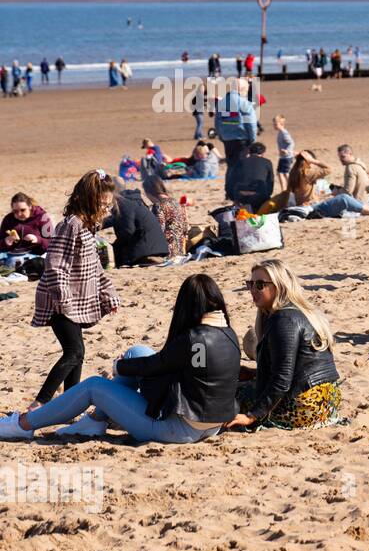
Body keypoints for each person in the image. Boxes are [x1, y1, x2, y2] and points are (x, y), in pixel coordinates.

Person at [0, 274, 241, 443]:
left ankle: (23, 425)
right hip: (210, 425)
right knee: (137, 351)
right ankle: (95, 420)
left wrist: (118, 366)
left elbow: (155, 365)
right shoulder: (228, 334)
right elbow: (164, 363)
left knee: (94, 386)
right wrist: (128, 365)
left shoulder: (192, 338)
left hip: (178, 430)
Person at [29, 172, 120, 411]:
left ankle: (68, 403)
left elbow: (95, 267)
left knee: (78, 353)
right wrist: (63, 299)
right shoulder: (71, 226)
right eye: (102, 204)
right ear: (89, 199)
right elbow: (55, 265)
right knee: (74, 351)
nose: (106, 209)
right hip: (60, 301)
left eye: (108, 204)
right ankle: (40, 403)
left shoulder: (88, 228)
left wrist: (108, 293)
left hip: (76, 302)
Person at [225, 260, 343, 432]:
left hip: (305, 406)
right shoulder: (299, 312)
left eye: (260, 285)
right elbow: (296, 367)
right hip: (326, 402)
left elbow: (282, 380)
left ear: (279, 286)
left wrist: (251, 416)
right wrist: (254, 373)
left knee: (234, 395)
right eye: (250, 284)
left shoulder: (283, 320)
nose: (252, 290)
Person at [104, 184, 169, 268]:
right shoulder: (132, 204)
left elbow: (128, 231)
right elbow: (114, 219)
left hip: (148, 249)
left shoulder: (123, 205)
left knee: (117, 249)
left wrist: (115, 245)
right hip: (159, 248)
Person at [216, 78, 259, 202]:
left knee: (231, 165)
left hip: (228, 139)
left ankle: (229, 192)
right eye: (246, 89)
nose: (246, 92)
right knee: (242, 165)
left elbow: (218, 122)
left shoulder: (223, 102)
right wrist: (252, 139)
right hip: (242, 139)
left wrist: (221, 136)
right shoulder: (244, 103)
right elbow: (251, 123)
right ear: (241, 89)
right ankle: (238, 192)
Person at [142, 175, 188, 259]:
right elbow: (185, 227)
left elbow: (159, 231)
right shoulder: (175, 202)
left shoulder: (159, 206)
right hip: (180, 249)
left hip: (168, 251)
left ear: (149, 192)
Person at [230, 143, 276, 211]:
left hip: (240, 196)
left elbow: (232, 180)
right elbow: (270, 182)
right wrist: (267, 196)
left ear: (249, 152)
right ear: (263, 153)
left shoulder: (240, 162)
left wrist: (234, 198)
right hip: (258, 195)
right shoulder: (267, 162)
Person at [273, 116, 295, 193]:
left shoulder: (284, 133)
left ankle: (289, 189)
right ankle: (285, 189)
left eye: (276, 124)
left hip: (287, 157)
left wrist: (287, 151)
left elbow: (291, 142)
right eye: (273, 124)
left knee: (284, 173)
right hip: (283, 157)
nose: (274, 126)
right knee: (280, 173)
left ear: (282, 124)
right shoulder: (280, 132)